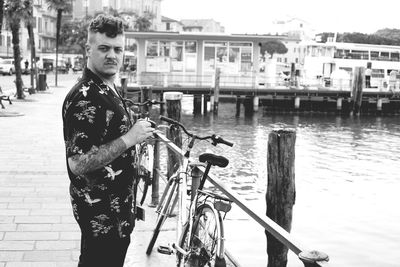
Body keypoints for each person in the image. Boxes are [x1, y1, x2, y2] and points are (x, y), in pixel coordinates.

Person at [62, 14, 154, 267]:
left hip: (116, 212)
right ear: (88, 50)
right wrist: (130, 137)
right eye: (104, 48)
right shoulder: (86, 97)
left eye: (118, 49)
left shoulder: (106, 87)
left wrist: (131, 131)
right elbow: (78, 163)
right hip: (101, 217)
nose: (112, 55)